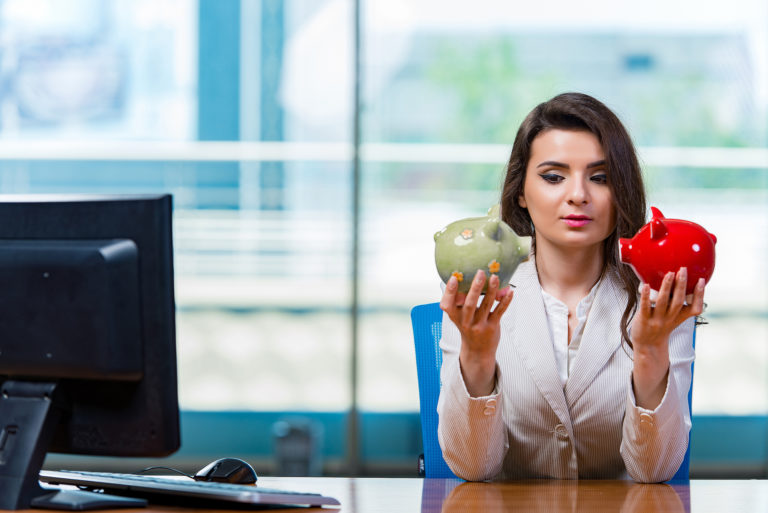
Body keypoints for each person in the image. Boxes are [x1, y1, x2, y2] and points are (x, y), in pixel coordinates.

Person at [436, 92, 705, 483]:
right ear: (521, 193)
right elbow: (472, 469)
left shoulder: (657, 300)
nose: (578, 194)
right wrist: (477, 357)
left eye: (600, 178)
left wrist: (649, 352)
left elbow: (655, 472)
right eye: (553, 176)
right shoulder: (480, 295)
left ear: (621, 192)